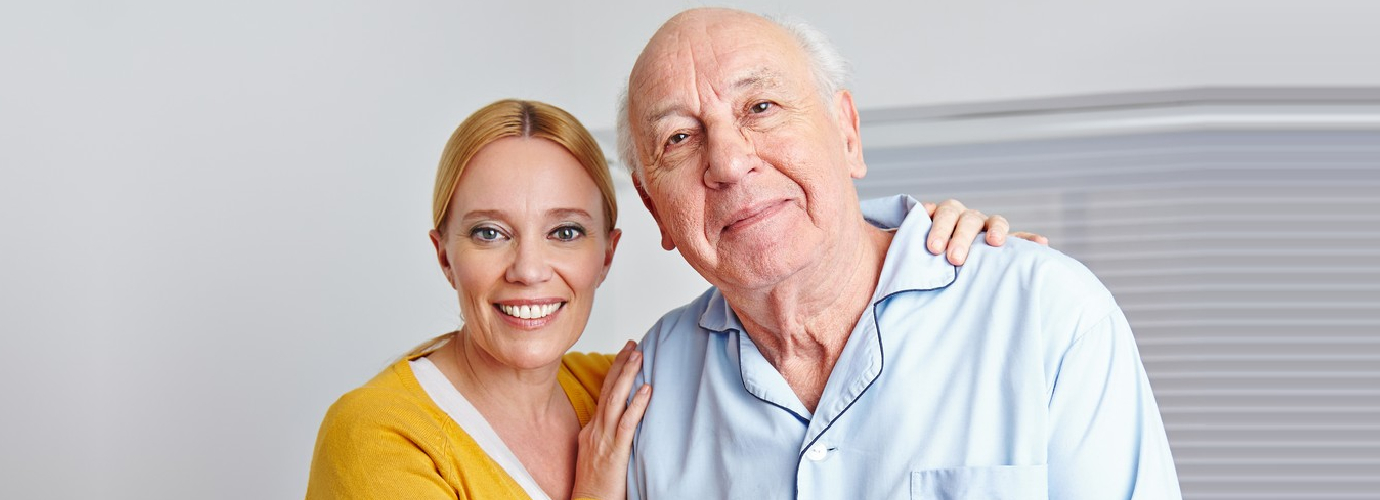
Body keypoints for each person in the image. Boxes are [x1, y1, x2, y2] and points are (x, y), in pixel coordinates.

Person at [305, 99, 1025, 499]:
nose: (530, 269)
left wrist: (942, 252)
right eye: (490, 233)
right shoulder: (375, 435)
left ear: (608, 253)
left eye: (565, 231)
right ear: (443, 254)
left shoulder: (630, 383)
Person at [620, 8, 1181, 499]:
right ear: (653, 209)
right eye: (679, 139)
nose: (728, 162)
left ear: (847, 135)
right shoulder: (649, 386)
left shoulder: (1048, 314)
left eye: (761, 106)